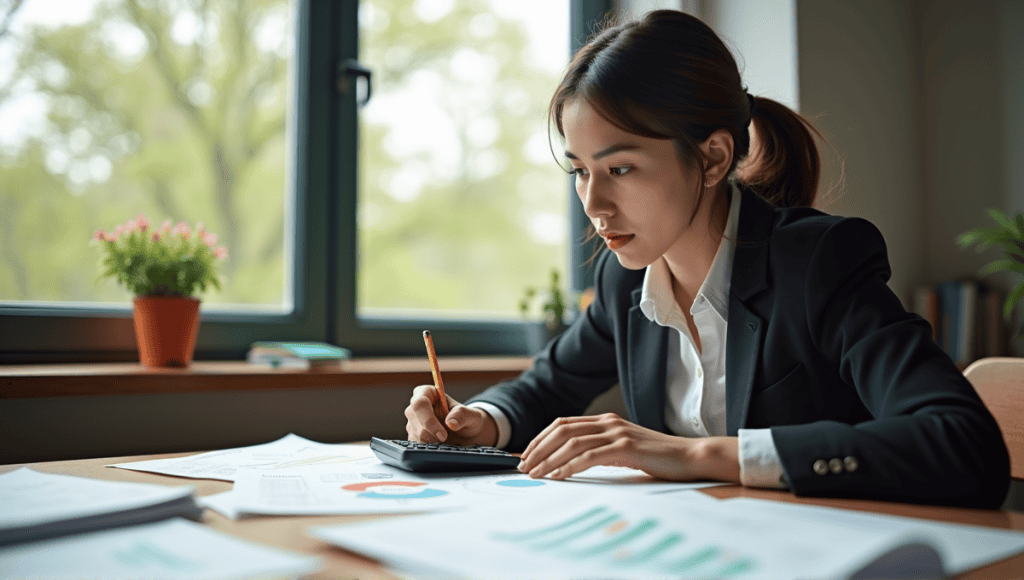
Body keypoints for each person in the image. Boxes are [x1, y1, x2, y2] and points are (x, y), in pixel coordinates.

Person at [402, 9, 1009, 508]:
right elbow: (545, 387)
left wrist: (693, 454)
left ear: (715, 158)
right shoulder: (625, 280)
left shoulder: (817, 262)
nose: (594, 203)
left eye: (620, 168)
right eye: (580, 172)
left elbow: (963, 445)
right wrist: (478, 422)